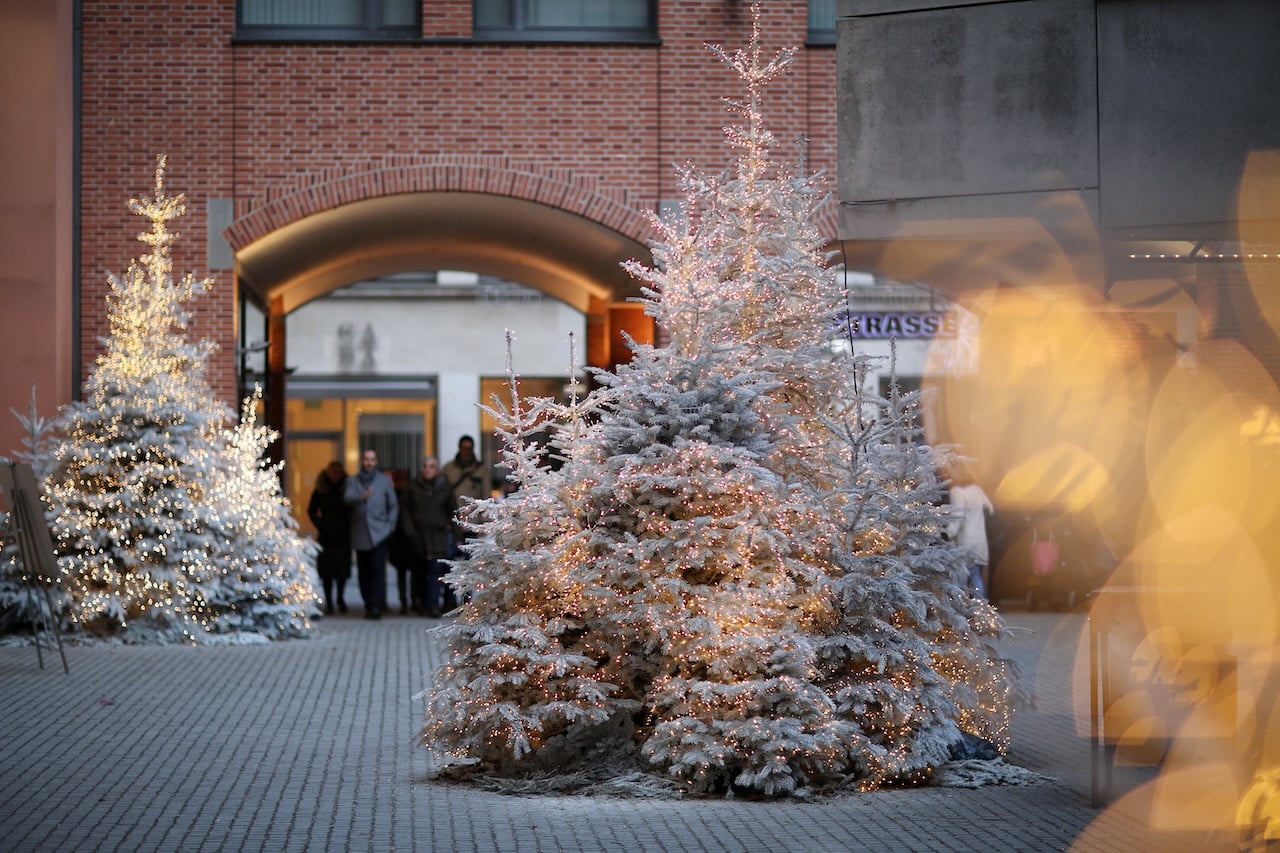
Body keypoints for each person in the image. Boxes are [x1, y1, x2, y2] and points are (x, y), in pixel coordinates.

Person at [344, 448, 399, 620]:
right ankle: (368, 602)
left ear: (376, 462)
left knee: (377, 569)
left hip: (380, 533)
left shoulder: (384, 481)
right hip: (361, 534)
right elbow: (347, 498)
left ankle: (376, 606)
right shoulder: (353, 481)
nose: (369, 462)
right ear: (362, 461)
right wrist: (362, 496)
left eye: (372, 459)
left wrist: (389, 527)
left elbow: (393, 506)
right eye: (366, 459)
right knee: (364, 572)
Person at [398, 455, 457, 617]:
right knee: (420, 570)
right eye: (425, 466)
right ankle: (421, 603)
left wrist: (456, 535)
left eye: (431, 466)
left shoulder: (444, 487)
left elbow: (453, 511)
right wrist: (410, 532)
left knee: (436, 569)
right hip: (418, 535)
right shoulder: (413, 487)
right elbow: (405, 511)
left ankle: (433, 605)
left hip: (439, 535)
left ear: (437, 470)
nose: (427, 469)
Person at [441, 435, 491, 611]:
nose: (466, 451)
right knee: (448, 564)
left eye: (469, 448)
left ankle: (466, 602)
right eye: (464, 448)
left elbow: (485, 497)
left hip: (471, 524)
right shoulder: (448, 469)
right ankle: (447, 601)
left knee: (469, 566)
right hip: (452, 523)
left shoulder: (481, 470)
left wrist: (484, 523)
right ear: (459, 448)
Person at [306, 460, 352, 615]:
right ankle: (330, 601)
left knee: (342, 572)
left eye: (339, 472)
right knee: (327, 572)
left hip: (343, 537)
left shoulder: (347, 488)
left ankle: (340, 597)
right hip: (327, 537)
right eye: (334, 472)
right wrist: (321, 525)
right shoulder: (321, 490)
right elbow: (311, 510)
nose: (336, 475)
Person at [948, 470, 995, 599]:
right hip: (980, 540)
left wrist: (948, 533)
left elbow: (958, 516)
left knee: (963, 578)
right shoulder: (977, 491)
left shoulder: (957, 492)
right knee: (976, 574)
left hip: (965, 540)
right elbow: (990, 509)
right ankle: (981, 607)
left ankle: (967, 605)